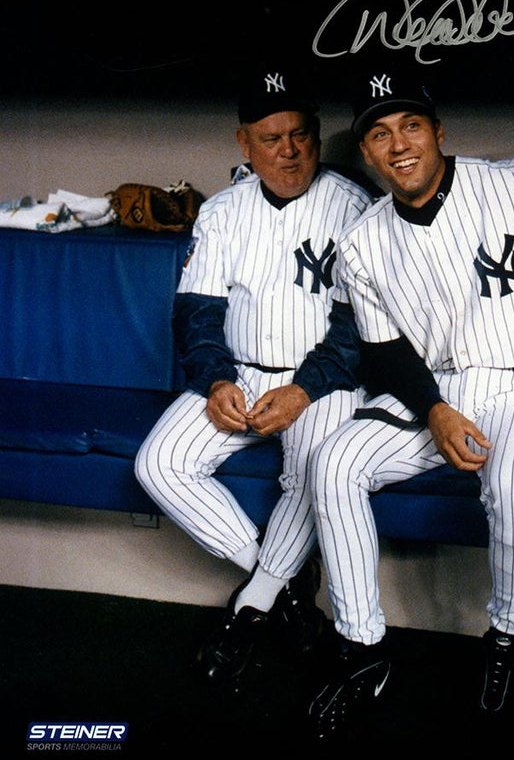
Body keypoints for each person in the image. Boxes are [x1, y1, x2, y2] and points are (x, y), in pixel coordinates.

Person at [306, 69, 514, 737]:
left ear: (439, 133)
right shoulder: (362, 241)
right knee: (333, 465)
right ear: (365, 153)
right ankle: (363, 648)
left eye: (411, 125)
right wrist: (436, 411)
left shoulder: (510, 185)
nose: (398, 145)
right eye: (380, 133)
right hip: (429, 389)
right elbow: (385, 351)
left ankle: (508, 640)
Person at [135, 65, 375, 684]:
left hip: (320, 381)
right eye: (272, 139)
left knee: (315, 474)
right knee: (160, 464)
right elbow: (196, 313)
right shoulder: (222, 211)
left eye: (300, 135)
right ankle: (286, 588)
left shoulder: (354, 207)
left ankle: (251, 607)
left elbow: (359, 330)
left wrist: (303, 389)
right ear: (244, 144)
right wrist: (216, 381)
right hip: (239, 372)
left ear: (317, 137)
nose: (289, 150)